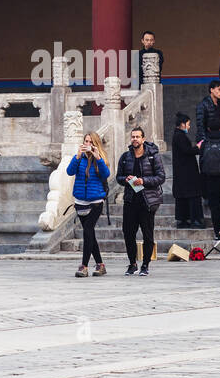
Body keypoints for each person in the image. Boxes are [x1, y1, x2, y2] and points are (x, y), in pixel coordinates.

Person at [117, 127, 164, 276]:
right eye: (133, 137)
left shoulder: (152, 156)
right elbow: (118, 177)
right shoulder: (125, 157)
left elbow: (161, 177)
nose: (135, 139)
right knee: (128, 233)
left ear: (143, 139)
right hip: (130, 200)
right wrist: (126, 179)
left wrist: (144, 181)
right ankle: (132, 263)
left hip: (147, 201)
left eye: (138, 137)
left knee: (147, 234)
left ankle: (145, 264)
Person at [66, 131, 110, 277]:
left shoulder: (100, 158)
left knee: (87, 231)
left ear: (96, 144)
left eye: (91, 142)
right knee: (89, 233)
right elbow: (69, 172)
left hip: (96, 201)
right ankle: (100, 265)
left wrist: (98, 157)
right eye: (86, 141)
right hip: (80, 202)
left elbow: (105, 174)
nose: (88, 144)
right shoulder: (79, 158)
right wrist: (77, 156)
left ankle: (84, 265)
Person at [171, 114, 203, 229]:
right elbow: (187, 151)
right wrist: (198, 147)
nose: (189, 127)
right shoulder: (179, 136)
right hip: (186, 172)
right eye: (188, 124)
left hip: (183, 172)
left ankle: (184, 219)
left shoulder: (178, 135)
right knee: (192, 195)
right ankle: (194, 220)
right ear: (182, 124)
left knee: (184, 196)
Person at [195, 79, 220, 146]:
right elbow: (200, 125)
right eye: (219, 89)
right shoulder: (203, 105)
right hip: (208, 138)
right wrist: (204, 141)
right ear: (212, 90)